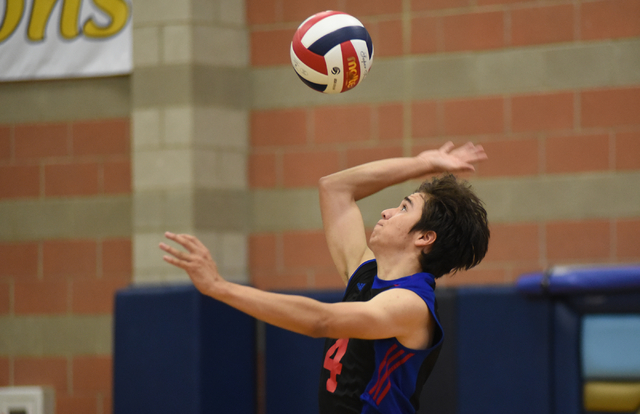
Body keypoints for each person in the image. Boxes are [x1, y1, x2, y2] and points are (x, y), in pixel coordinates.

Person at [159, 141, 490, 414]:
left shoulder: (410, 305)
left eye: (404, 208)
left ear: (425, 238)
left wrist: (219, 287)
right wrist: (422, 163)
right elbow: (335, 188)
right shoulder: (365, 272)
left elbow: (320, 321)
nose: (386, 212)